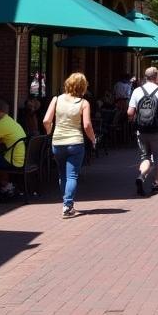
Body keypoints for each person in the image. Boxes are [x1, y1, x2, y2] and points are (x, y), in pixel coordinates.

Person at [44, 72, 96, 218]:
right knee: (72, 175)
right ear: (83, 87)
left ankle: (66, 204)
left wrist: (50, 133)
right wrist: (93, 139)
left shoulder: (56, 99)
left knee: (62, 174)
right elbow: (87, 125)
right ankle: (67, 206)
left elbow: (46, 120)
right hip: (75, 142)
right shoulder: (83, 103)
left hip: (58, 141)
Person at [128, 67, 158, 197]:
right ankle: (155, 183)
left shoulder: (137, 91)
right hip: (157, 130)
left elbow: (129, 112)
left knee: (144, 157)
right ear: (156, 77)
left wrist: (134, 120)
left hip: (141, 129)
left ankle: (141, 176)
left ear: (145, 77)